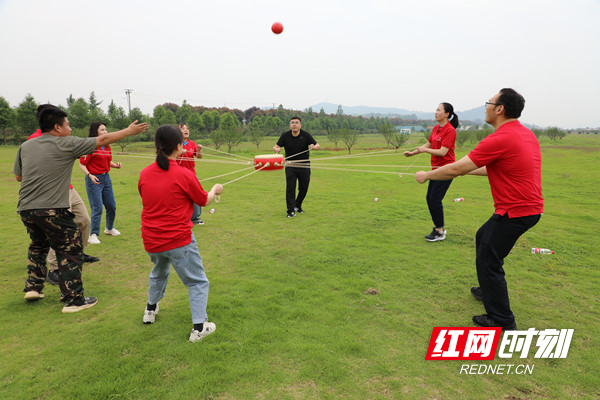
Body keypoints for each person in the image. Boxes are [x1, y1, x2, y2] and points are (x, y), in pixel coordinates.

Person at [414, 88, 543, 330]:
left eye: (488, 103)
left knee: (489, 259)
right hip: (526, 209)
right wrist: (466, 169)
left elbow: (454, 168)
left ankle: (502, 320)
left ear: (499, 109)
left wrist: (428, 175)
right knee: (484, 238)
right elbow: (494, 167)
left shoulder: (501, 137)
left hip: (515, 211)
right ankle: (488, 290)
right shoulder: (524, 134)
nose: (485, 107)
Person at [13, 104, 148, 313]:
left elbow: (19, 177)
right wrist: (129, 131)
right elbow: (101, 140)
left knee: (38, 244)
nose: (71, 129)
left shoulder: (26, 146)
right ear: (57, 127)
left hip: (25, 208)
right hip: (51, 208)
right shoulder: (66, 143)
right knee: (71, 247)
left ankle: (33, 287)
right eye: (68, 125)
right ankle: (74, 300)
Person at [138, 124, 223, 342]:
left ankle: (150, 310)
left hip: (152, 239)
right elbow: (203, 200)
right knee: (197, 282)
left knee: (159, 271)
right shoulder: (184, 174)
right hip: (178, 240)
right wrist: (215, 189)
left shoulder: (145, 174)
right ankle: (199, 328)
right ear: (178, 146)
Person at [27, 129, 99, 287]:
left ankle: (78, 254)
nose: (70, 128)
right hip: (53, 192)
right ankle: (53, 269)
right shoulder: (35, 140)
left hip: (69, 188)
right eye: (66, 123)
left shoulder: (60, 137)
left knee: (84, 220)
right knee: (58, 228)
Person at [404, 103, 458, 242]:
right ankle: (438, 228)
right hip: (435, 169)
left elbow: (442, 152)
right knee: (430, 198)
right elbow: (427, 145)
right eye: (436, 110)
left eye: (439, 110)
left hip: (446, 169)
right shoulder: (436, 128)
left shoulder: (450, 130)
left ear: (447, 114)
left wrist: (424, 150)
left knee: (434, 199)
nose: (436, 112)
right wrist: (413, 153)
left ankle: (440, 231)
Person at [79, 121, 123, 244]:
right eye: (102, 130)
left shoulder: (106, 145)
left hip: (106, 178)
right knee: (97, 208)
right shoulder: (90, 146)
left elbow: (107, 161)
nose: (106, 132)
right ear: (95, 132)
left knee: (111, 206)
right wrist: (90, 175)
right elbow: (82, 164)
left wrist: (116, 165)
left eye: (106, 129)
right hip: (94, 179)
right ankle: (93, 234)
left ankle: (109, 228)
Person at [273, 116, 320, 218]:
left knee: (304, 188)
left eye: (296, 122)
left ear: (300, 125)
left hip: (304, 165)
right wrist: (276, 149)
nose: (294, 124)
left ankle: (297, 205)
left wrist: (313, 147)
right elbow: (276, 146)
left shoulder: (306, 135)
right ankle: (290, 211)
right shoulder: (285, 136)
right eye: (292, 123)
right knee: (291, 188)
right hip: (290, 165)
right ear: (290, 125)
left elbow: (318, 145)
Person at [176, 123, 204, 225]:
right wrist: (179, 153)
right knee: (179, 196)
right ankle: (180, 217)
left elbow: (199, 156)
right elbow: (169, 157)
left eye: (187, 128)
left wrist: (199, 150)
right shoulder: (176, 143)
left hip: (191, 173)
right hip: (178, 174)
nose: (186, 130)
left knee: (197, 194)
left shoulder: (192, 143)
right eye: (183, 128)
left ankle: (195, 218)